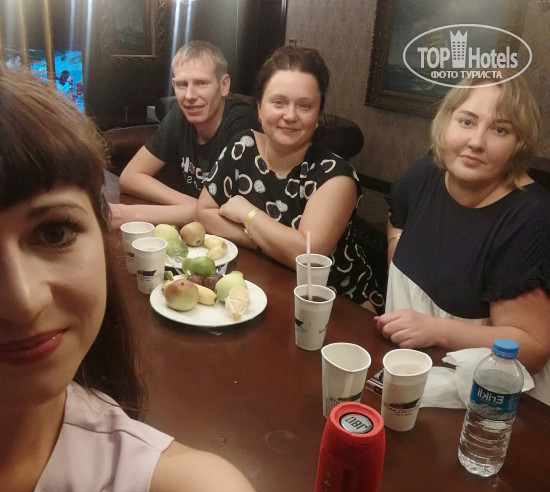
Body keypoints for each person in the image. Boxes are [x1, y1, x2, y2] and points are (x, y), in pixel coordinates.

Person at [0, 68, 309, 492]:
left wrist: (239, 214)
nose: (22, 300)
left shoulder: (163, 485)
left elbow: (305, 250)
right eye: (181, 84)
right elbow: (196, 207)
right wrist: (205, 210)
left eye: (53, 232)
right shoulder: (217, 141)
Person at [375, 72, 550, 405]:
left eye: (500, 130)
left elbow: (533, 348)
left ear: (519, 143)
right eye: (467, 121)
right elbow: (396, 220)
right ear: (446, 122)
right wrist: (396, 250)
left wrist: (436, 330)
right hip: (410, 373)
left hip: (491, 405)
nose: (477, 142)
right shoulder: (423, 175)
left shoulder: (529, 218)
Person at [195, 46, 384, 312]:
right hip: (265, 285)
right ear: (259, 108)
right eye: (279, 102)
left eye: (305, 106)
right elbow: (204, 213)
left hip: (335, 306)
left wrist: (247, 214)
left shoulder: (335, 176)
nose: (290, 115)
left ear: (317, 115)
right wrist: (271, 242)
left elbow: (306, 257)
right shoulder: (243, 146)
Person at [110, 41, 259, 228]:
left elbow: (232, 214)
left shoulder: (243, 125)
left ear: (224, 85)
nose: (189, 96)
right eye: (182, 84)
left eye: (201, 83)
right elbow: (129, 178)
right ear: (174, 85)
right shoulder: (180, 115)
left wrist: (130, 214)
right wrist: (199, 206)